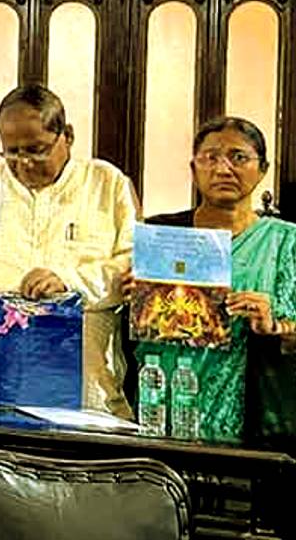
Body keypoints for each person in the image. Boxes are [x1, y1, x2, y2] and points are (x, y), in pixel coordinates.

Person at [0, 84, 137, 418]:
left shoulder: (106, 183)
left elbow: (132, 265)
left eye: (36, 150)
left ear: (67, 136)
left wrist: (68, 282)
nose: (24, 163)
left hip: (85, 377)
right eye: (11, 152)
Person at [121, 117, 296, 441]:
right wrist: (131, 296)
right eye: (210, 157)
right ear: (193, 168)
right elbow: (128, 324)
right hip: (161, 412)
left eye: (238, 157)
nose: (223, 168)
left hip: (258, 426)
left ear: (263, 169)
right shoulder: (162, 236)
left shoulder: (285, 242)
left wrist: (276, 326)